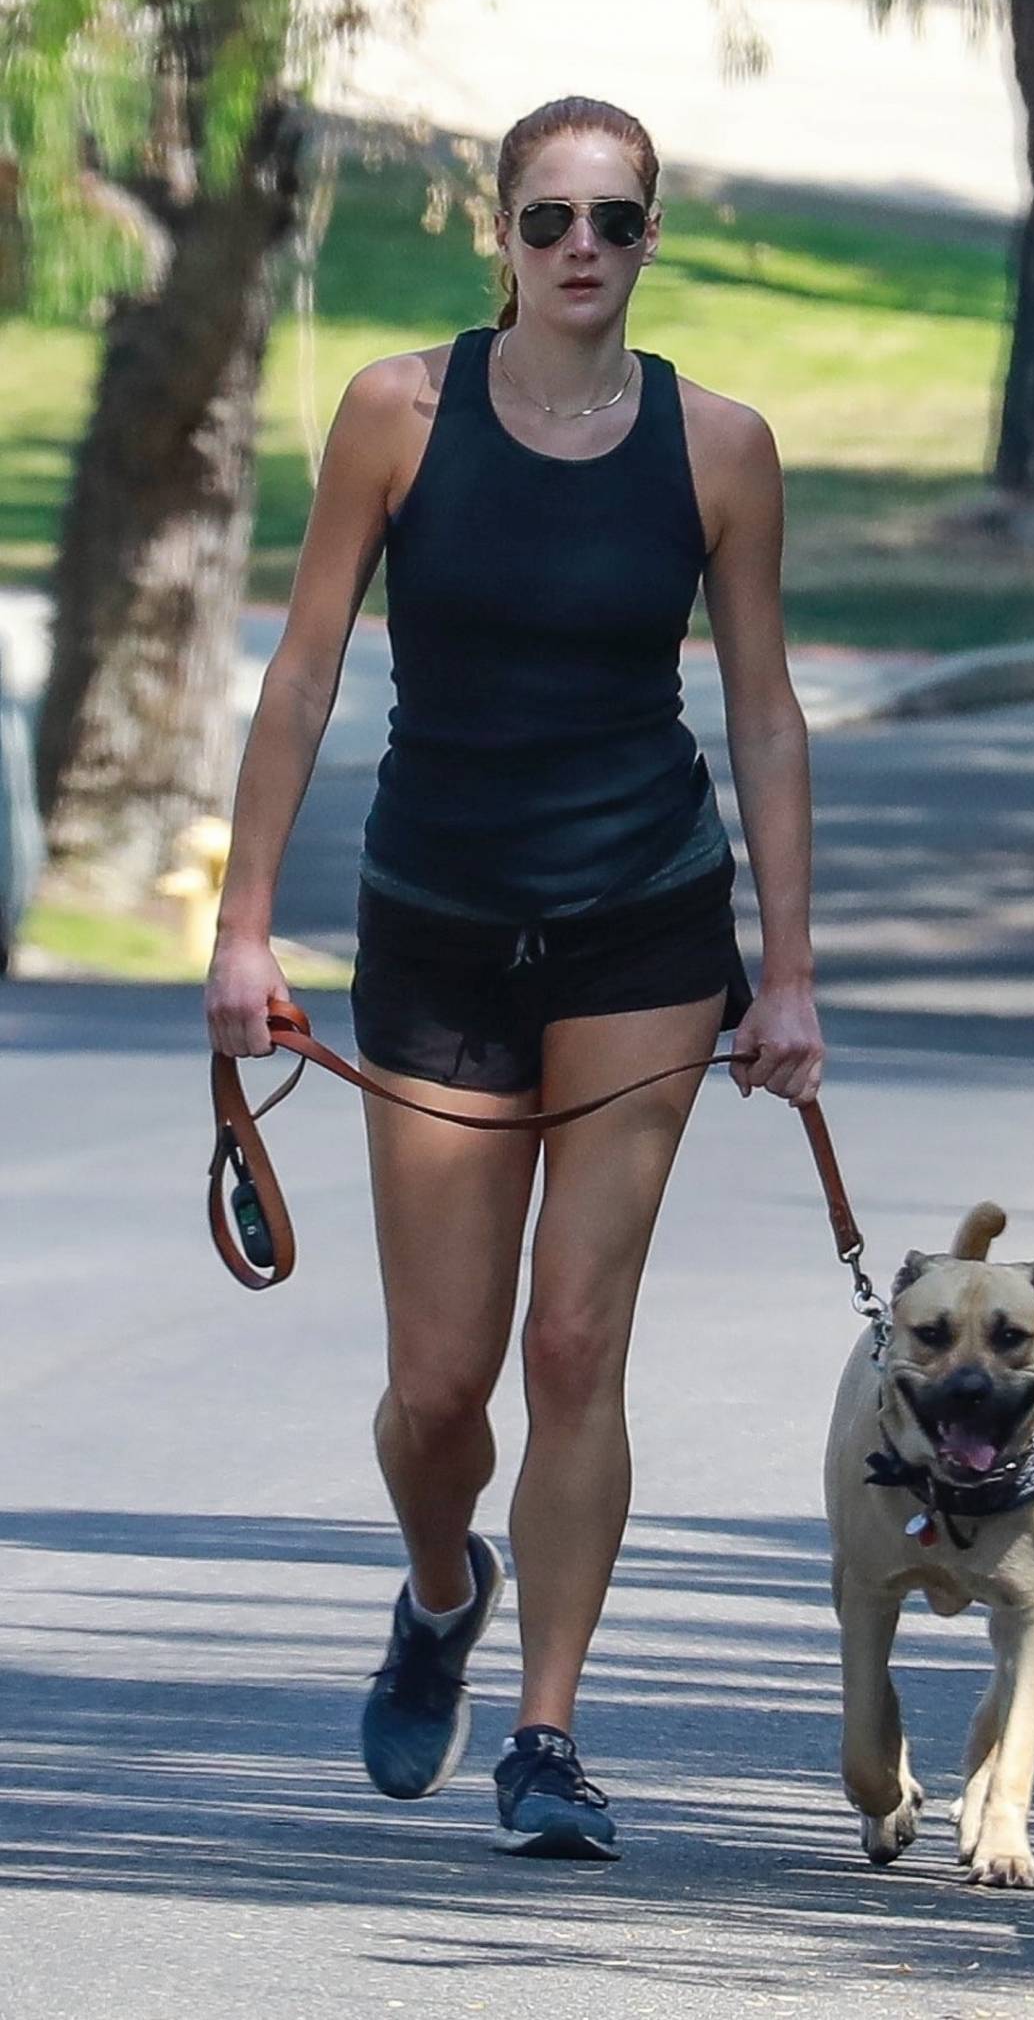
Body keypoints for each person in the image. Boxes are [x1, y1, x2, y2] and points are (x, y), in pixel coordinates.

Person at [204, 94, 824, 1861]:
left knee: (575, 1343)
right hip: (440, 924)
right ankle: (436, 1580)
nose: (580, 249)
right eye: (548, 218)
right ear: (499, 234)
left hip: (643, 924)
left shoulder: (721, 446)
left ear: (648, 243)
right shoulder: (399, 413)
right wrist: (246, 932)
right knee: (435, 1388)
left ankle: (546, 1733)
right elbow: (306, 674)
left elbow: (765, 713)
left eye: (613, 222)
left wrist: (783, 974)